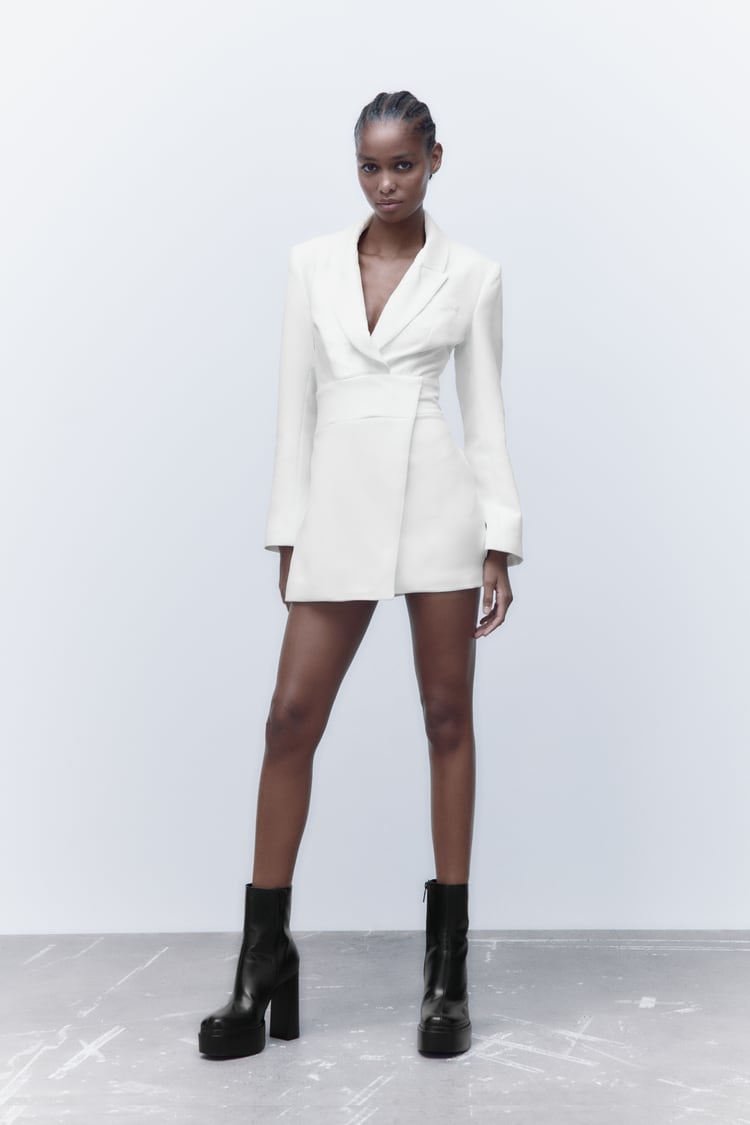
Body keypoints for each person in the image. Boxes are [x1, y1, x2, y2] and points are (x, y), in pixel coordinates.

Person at [198, 90, 524, 1062]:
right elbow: (294, 404)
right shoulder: (310, 264)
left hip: (436, 506)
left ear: (435, 161)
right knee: (289, 720)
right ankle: (262, 960)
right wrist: (287, 532)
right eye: (370, 166)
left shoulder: (473, 275)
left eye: (403, 165)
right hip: (336, 507)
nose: (386, 183)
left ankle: (447, 975)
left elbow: (486, 415)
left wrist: (498, 541)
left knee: (447, 718)